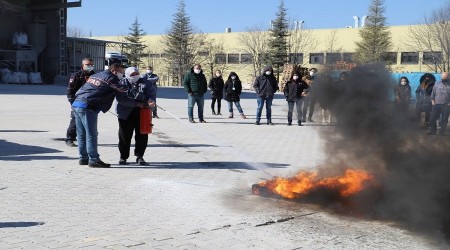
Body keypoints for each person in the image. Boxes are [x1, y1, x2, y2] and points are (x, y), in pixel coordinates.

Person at [71, 63, 154, 168]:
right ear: (114, 71)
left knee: (81, 134)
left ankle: (83, 158)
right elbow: (127, 92)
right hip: (88, 106)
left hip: (77, 103)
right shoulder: (111, 78)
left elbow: (81, 90)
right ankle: (94, 159)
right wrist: (146, 99)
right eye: (121, 72)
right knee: (91, 134)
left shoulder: (96, 75)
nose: (122, 75)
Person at [117, 67, 156, 165]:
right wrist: (137, 103)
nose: (135, 76)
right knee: (124, 136)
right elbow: (122, 99)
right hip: (125, 113)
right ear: (127, 75)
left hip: (142, 112)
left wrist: (151, 100)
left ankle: (140, 156)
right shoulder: (122, 83)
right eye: (132, 74)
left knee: (142, 135)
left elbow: (151, 92)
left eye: (136, 73)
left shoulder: (145, 81)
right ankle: (123, 157)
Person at [65, 58, 95, 147]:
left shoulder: (95, 76)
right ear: (83, 65)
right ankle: (70, 139)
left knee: (89, 121)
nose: (90, 66)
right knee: (75, 120)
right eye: (88, 65)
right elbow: (70, 90)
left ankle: (86, 139)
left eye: (92, 65)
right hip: (78, 102)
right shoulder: (76, 76)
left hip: (90, 102)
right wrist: (72, 102)